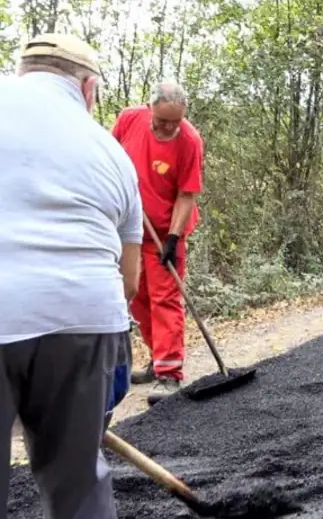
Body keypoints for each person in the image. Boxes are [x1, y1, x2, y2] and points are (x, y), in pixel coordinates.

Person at [0, 33, 143, 518]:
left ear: (23, 72)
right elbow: (129, 281)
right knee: (78, 485)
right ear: (88, 88)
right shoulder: (110, 150)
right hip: (85, 319)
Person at [112, 81, 204, 405]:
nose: (168, 128)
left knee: (164, 298)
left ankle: (170, 374)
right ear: (150, 107)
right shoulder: (129, 120)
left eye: (174, 122)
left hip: (166, 231)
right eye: (162, 120)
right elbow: (109, 159)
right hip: (130, 230)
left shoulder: (190, 141)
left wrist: (174, 239)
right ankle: (157, 361)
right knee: (137, 296)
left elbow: (187, 194)